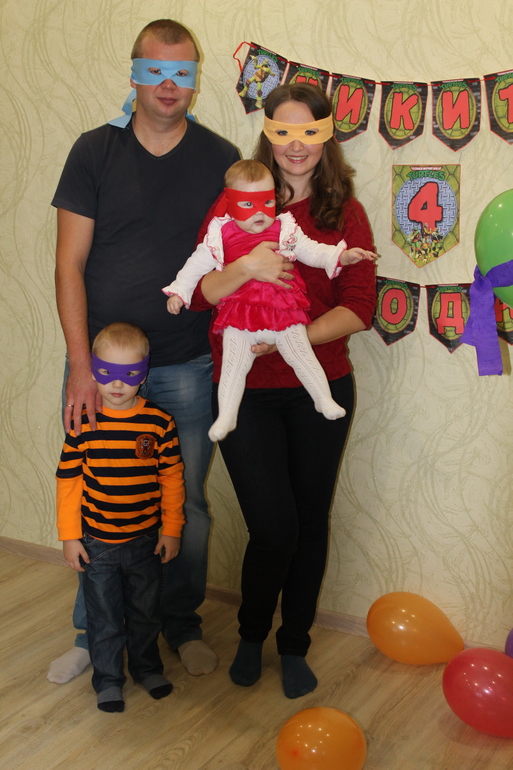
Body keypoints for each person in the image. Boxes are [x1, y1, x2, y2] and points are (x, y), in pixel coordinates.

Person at [48, 18, 240, 685]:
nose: (167, 85)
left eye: (180, 72)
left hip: (187, 364)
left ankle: (179, 625)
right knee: (96, 493)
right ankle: (93, 632)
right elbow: (68, 265)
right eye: (154, 71)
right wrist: (80, 367)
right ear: (134, 75)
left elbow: (229, 262)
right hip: (100, 371)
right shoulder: (93, 151)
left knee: (183, 505)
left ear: (195, 79)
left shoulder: (219, 158)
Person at [192, 83, 376, 698]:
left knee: (309, 521)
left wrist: (288, 338)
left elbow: (359, 307)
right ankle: (251, 634)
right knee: (273, 527)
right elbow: (201, 293)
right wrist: (245, 267)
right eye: (284, 131)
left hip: (320, 385)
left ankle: (294, 642)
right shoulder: (232, 204)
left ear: (327, 136)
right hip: (244, 391)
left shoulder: (344, 212)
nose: (296, 146)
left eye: (309, 132)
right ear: (267, 133)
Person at [163, 159, 376, 441]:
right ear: (231, 204)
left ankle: (323, 399)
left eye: (266, 202)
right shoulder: (219, 234)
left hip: (283, 312)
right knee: (233, 364)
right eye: (247, 204)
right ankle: (226, 415)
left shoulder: (285, 228)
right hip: (240, 316)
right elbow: (194, 267)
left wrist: (341, 256)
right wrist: (179, 291)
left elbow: (314, 251)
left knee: (300, 352)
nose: (259, 212)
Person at [57, 323, 185, 712]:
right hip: (97, 544)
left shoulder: (159, 423)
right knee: (105, 618)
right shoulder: (83, 422)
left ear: (144, 373)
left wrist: (172, 529)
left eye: (129, 373)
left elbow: (172, 478)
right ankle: (109, 679)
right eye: (107, 372)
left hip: (145, 541)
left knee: (145, 613)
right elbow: (68, 482)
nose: (117, 384)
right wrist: (70, 536)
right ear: (92, 370)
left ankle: (147, 669)